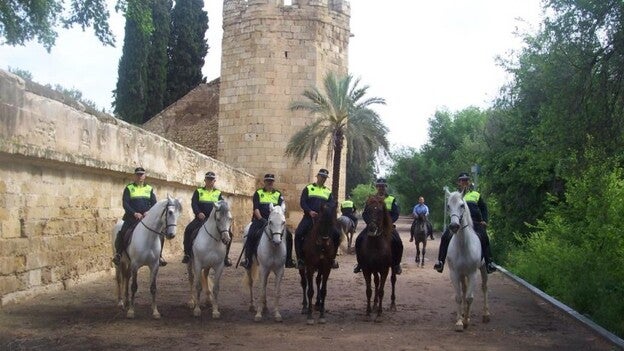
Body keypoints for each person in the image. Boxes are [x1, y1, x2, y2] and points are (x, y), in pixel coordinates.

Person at [434, 172, 497, 274]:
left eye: (466, 180)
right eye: (462, 180)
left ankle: (489, 262)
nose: (464, 182)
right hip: (458, 223)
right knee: (445, 236)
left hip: (475, 222)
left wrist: (484, 220)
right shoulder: (454, 195)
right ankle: (440, 262)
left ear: (469, 181)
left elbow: (483, 208)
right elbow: (450, 208)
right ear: (458, 182)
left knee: (484, 237)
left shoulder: (476, 194)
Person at [241, 173, 296, 269]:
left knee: (289, 236)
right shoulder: (258, 193)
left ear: (273, 182)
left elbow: (280, 210)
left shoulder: (278, 194)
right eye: (268, 181)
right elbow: (256, 208)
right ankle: (248, 260)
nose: (270, 182)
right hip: (260, 220)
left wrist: (278, 221)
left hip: (275, 222)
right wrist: (261, 219)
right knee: (251, 234)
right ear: (264, 182)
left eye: (271, 181)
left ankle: (288, 260)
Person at [112, 167, 164, 266]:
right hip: (131, 218)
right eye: (138, 174)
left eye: (141, 174)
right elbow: (125, 203)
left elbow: (154, 204)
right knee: (122, 232)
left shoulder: (149, 189)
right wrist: (134, 213)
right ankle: (119, 254)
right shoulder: (129, 188)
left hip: (146, 218)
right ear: (134, 176)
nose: (140, 176)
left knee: (160, 234)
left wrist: (148, 212)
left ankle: (159, 255)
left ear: (144, 176)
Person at [353, 178, 404, 274]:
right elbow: (365, 213)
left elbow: (396, 213)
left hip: (387, 226)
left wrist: (389, 223)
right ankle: (360, 263)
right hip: (372, 225)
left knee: (398, 242)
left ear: (385, 187)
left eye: (383, 186)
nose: (381, 188)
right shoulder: (371, 199)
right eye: (379, 186)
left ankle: (396, 264)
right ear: (377, 187)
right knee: (359, 239)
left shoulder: (391, 199)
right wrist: (369, 223)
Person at [181, 171, 232, 266]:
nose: (210, 181)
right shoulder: (198, 191)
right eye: (208, 179)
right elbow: (194, 203)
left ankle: (225, 257)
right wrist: (198, 213)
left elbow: (223, 205)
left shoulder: (218, 193)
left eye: (212, 180)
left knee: (229, 233)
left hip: (214, 220)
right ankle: (187, 254)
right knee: (189, 230)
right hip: (201, 219)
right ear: (205, 180)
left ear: (214, 181)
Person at [294, 168, 340, 269]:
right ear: (317, 176)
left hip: (323, 220)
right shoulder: (309, 188)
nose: (323, 179)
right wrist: (309, 211)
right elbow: (303, 202)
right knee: (298, 233)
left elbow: (331, 204)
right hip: (309, 217)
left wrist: (325, 210)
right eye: (322, 176)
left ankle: (332, 259)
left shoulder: (328, 192)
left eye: (325, 177)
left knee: (336, 234)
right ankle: (300, 259)